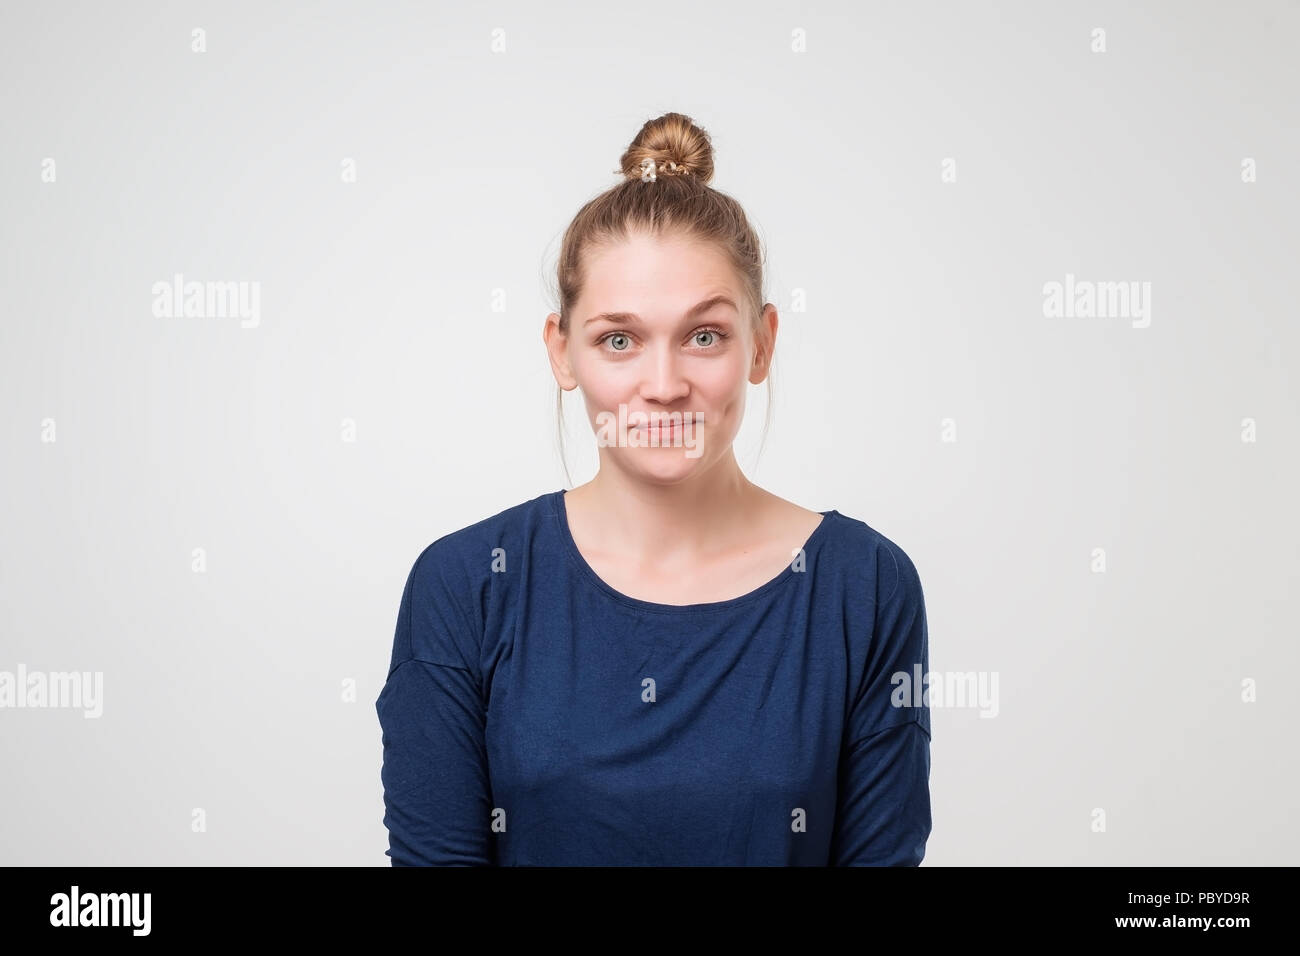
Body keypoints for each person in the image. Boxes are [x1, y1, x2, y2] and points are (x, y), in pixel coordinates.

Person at [375, 112, 932, 866]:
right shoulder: (464, 585)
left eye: (704, 336)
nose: (664, 386)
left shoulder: (863, 586)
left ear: (762, 344)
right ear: (561, 352)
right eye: (619, 340)